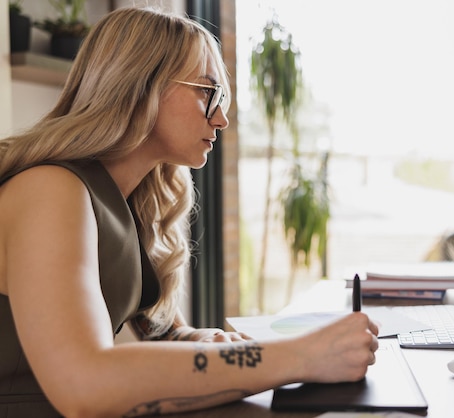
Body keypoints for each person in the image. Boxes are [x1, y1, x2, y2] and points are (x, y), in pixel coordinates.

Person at [0, 7, 379, 418]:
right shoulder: (50, 189)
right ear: (140, 85)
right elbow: (84, 383)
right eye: (206, 92)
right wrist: (303, 357)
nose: (222, 118)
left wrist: (197, 338)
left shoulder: (129, 199)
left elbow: (163, 329)